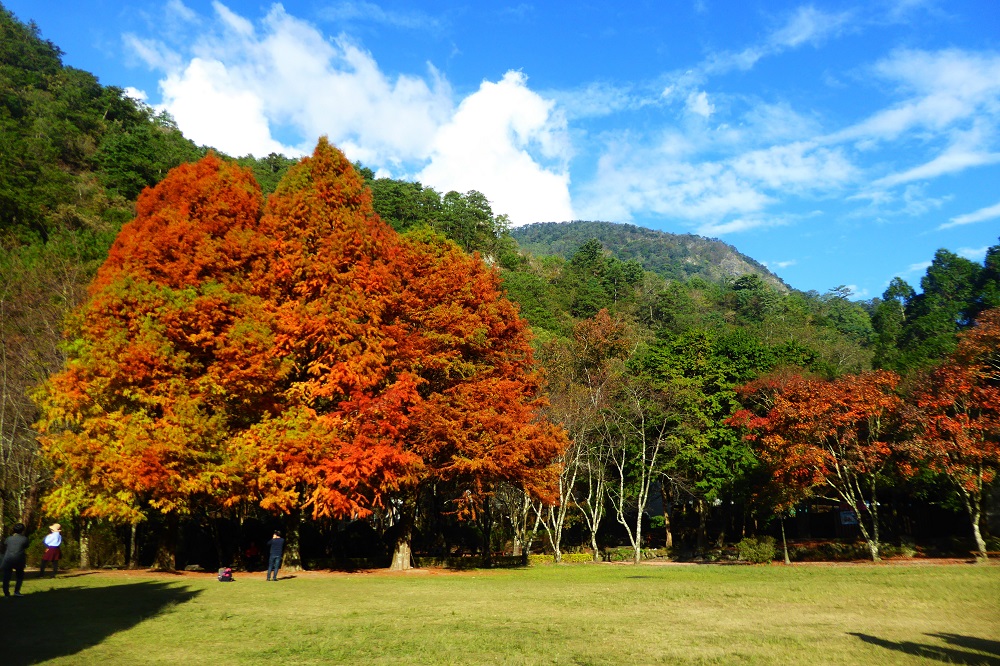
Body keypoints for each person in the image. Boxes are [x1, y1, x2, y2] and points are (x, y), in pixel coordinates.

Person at [1, 523, 29, 597]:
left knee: (6, 577)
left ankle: (6, 592)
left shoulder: (9, 538)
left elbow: (5, 544)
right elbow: (26, 546)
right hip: (19, 558)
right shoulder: (24, 539)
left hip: (8, 558)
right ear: (22, 530)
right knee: (19, 576)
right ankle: (17, 591)